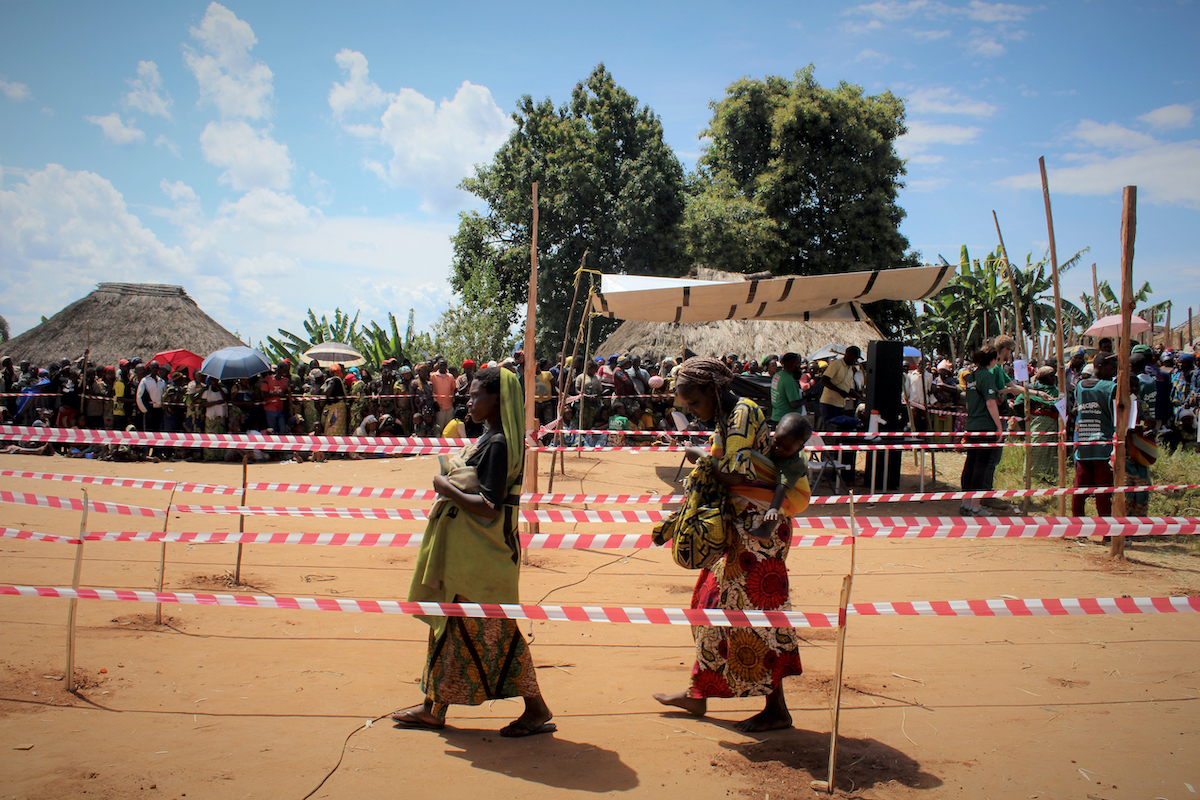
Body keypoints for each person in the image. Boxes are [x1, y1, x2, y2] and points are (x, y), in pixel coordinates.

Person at [395, 366, 554, 736]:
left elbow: (488, 505)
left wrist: (444, 487)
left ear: (497, 400)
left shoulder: (497, 444)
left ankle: (533, 708)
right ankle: (436, 707)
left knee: (477, 630)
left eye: (476, 394)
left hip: (479, 558)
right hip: (472, 555)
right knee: (458, 629)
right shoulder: (489, 438)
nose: (469, 399)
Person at [653, 357, 807, 733]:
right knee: (708, 604)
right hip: (738, 527)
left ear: (713, 389)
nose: (691, 410)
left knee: (758, 611)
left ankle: (776, 708)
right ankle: (699, 691)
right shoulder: (727, 418)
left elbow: (736, 471)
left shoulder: (743, 413)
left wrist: (699, 457)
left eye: (693, 402)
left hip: (759, 532)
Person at [749, 413, 812, 542]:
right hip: (789, 487)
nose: (778, 449)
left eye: (786, 448)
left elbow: (781, 487)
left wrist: (773, 508)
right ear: (775, 431)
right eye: (777, 441)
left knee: (777, 499)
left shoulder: (793, 462)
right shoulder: (777, 445)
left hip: (799, 495)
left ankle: (766, 530)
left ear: (799, 448)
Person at [960, 346, 1005, 517]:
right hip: (985, 426)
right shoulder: (987, 376)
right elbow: (991, 402)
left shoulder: (971, 377)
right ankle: (975, 507)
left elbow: (969, 404)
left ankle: (965, 504)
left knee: (971, 464)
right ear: (993, 360)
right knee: (981, 465)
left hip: (972, 424)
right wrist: (999, 426)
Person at [1072, 352, 1118, 517]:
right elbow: (1116, 416)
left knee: (1079, 489)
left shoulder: (1080, 386)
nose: (1115, 371)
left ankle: (1077, 526)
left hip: (1083, 444)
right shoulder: (1112, 388)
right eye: (1113, 367)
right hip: (1103, 446)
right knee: (1103, 491)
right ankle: (1106, 531)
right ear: (1100, 366)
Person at [819, 346, 862, 428]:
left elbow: (849, 389)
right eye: (855, 358)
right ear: (849, 355)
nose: (856, 360)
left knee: (840, 429)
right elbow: (824, 381)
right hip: (829, 403)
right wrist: (840, 392)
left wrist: (859, 397)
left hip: (840, 405)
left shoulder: (850, 369)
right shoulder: (836, 364)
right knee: (830, 428)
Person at [770, 353, 803, 425]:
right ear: (791, 363)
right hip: (787, 420)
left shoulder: (778, 375)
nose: (799, 366)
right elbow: (794, 404)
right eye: (797, 363)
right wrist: (806, 400)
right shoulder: (789, 380)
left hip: (776, 416)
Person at [430, 358, 457, 430]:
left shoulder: (450, 377)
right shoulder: (433, 376)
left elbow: (453, 389)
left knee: (449, 428)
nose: (443, 367)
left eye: (445, 365)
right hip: (439, 406)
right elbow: (431, 390)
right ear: (438, 366)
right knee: (439, 427)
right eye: (441, 365)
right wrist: (435, 401)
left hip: (449, 406)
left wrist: (452, 401)